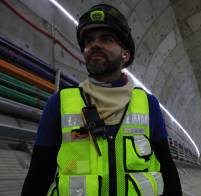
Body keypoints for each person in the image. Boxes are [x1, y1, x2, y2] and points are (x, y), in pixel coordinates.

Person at [21, 4, 182, 196]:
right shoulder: (59, 104)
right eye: (89, 41)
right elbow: (39, 175)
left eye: (107, 39)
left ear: (125, 54)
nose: (94, 45)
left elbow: (167, 170)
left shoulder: (148, 105)